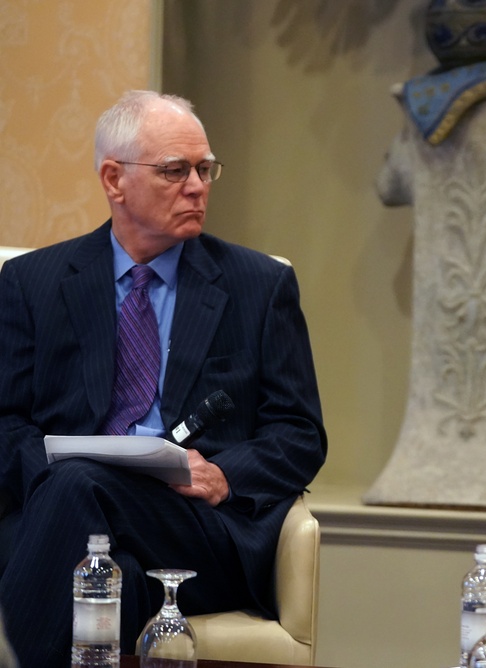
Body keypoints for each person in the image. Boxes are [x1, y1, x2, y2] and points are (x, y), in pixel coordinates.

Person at [0, 90, 327, 667]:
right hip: (63, 514)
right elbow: (4, 423)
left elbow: (300, 434)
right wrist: (53, 478)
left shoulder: (258, 286)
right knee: (101, 548)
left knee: (78, 487)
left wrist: (225, 475)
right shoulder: (32, 284)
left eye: (205, 169)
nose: (197, 186)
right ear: (113, 178)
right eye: (175, 171)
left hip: (196, 524)